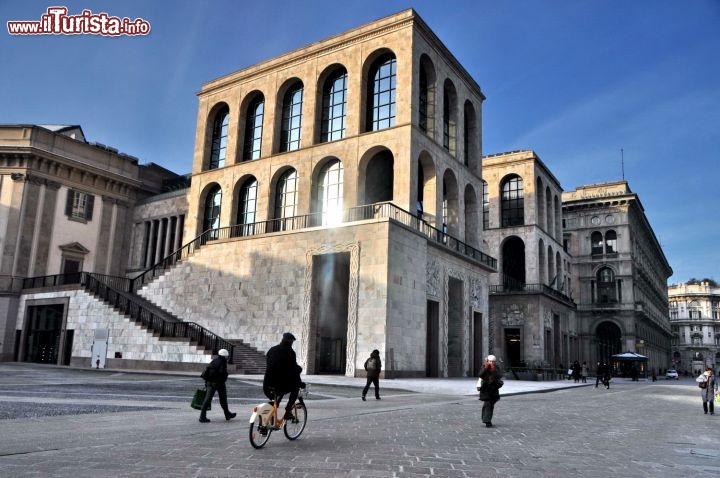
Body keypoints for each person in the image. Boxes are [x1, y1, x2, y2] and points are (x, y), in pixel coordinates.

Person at [263, 332, 304, 420]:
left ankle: (275, 404)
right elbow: (293, 371)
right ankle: (288, 411)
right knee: (295, 387)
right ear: (291, 342)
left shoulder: (272, 350)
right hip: (280, 385)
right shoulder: (290, 352)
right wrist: (300, 379)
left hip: (267, 385)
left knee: (282, 387)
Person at [199, 349, 236, 423]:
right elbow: (222, 373)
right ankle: (227, 414)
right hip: (219, 383)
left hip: (209, 382)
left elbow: (208, 370)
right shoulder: (223, 362)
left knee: (207, 399)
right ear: (225, 356)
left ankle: (202, 416)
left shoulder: (214, 360)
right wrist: (225, 377)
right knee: (223, 399)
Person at [478, 354, 503, 428]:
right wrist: (485, 368)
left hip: (494, 389)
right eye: (490, 361)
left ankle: (487, 419)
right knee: (487, 404)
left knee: (491, 405)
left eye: (493, 361)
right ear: (487, 361)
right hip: (486, 389)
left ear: (495, 362)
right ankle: (487, 420)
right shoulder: (484, 366)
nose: (491, 363)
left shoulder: (496, 367)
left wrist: (494, 370)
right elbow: (480, 375)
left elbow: (499, 376)